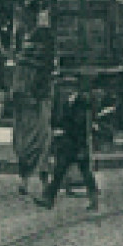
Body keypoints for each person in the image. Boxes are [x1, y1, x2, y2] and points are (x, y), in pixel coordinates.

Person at [37, 76, 100, 211]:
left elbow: (80, 125)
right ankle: (48, 199)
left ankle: (93, 200)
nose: (65, 90)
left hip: (76, 143)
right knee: (61, 171)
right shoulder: (70, 102)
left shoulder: (81, 102)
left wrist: (79, 144)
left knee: (83, 173)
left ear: (73, 89)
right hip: (70, 143)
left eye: (67, 87)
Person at [11, 30, 54, 196]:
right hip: (38, 105)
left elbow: (14, 87)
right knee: (43, 142)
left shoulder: (22, 60)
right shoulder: (43, 59)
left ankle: (24, 180)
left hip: (22, 107)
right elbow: (43, 86)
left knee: (24, 144)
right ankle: (44, 181)